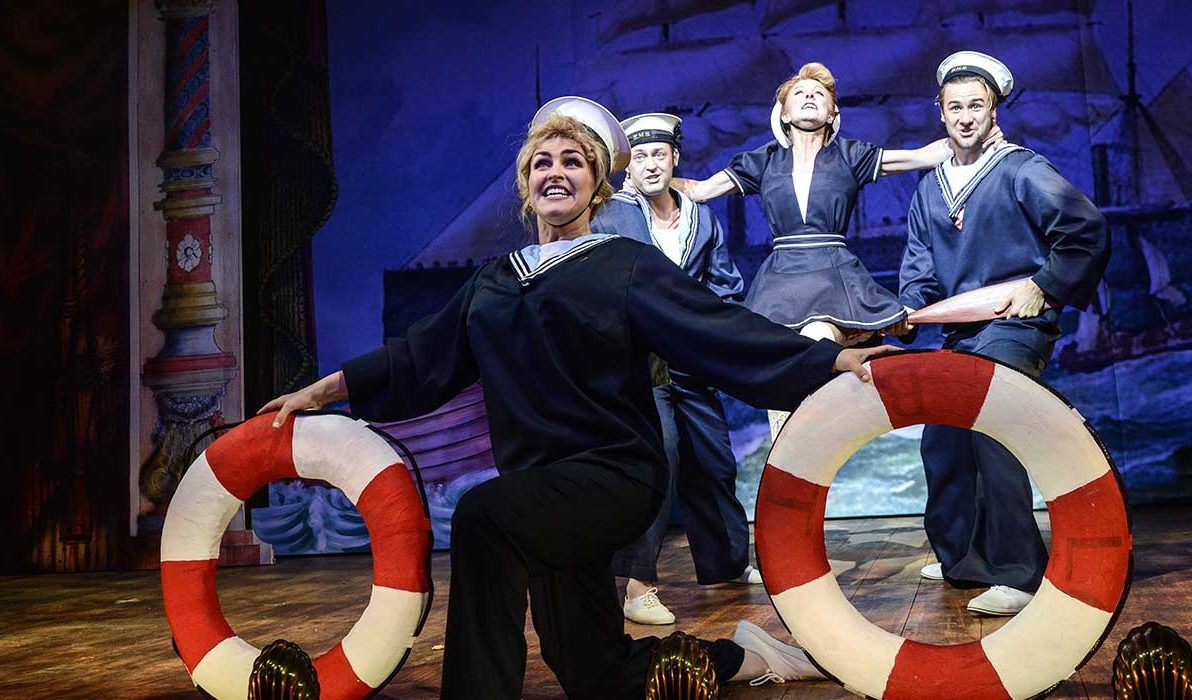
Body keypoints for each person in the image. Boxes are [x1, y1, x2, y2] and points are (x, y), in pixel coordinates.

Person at [262, 96, 895, 698]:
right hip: (541, 488)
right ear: (524, 185)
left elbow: (718, 330)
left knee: (483, 517)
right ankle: (752, 656)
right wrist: (319, 391)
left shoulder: (625, 264)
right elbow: (417, 358)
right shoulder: (493, 281)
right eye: (543, 162)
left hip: (613, 474)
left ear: (598, 185)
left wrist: (831, 357)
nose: (556, 173)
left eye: (574, 163)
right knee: (594, 673)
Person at [675, 62, 1002, 436]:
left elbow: (922, 157)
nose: (810, 96)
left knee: (817, 344)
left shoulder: (850, 154)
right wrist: (641, 179)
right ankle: (790, 456)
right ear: (783, 113)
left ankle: (819, 443)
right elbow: (700, 191)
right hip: (781, 282)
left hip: (834, 278)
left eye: (820, 94)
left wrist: (977, 134)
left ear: (834, 112)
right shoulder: (761, 160)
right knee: (783, 367)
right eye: (800, 93)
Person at [897, 52, 1110, 616]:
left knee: (994, 428)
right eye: (955, 107)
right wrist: (906, 312)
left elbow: (1085, 230)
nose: (965, 117)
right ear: (939, 114)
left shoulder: (1022, 169)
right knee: (941, 436)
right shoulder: (927, 190)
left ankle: (1018, 570)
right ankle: (962, 557)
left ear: (994, 111)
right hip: (961, 333)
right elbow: (918, 272)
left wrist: (1045, 284)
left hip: (1015, 327)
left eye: (976, 106)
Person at [590, 112, 760, 626]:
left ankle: (726, 563)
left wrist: (705, 326)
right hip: (642, 366)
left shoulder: (698, 217)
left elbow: (726, 283)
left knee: (714, 459)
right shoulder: (610, 216)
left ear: (675, 158)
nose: (649, 164)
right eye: (638, 156)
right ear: (626, 166)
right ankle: (639, 586)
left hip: (691, 359)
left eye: (658, 154)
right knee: (659, 460)